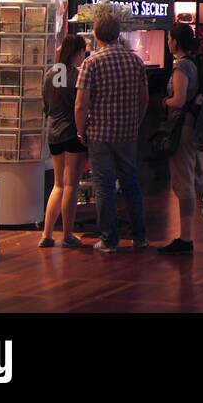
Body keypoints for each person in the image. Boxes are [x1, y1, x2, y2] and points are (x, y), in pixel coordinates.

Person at [75, 13, 149, 253]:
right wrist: (135, 121)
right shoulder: (135, 61)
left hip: (100, 132)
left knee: (104, 185)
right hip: (127, 132)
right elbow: (144, 98)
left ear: (96, 35)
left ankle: (109, 240)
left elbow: (80, 104)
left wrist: (81, 130)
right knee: (131, 183)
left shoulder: (91, 62)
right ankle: (140, 237)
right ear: (118, 33)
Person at [159, 25, 203, 254]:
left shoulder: (182, 66)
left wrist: (164, 102)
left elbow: (178, 100)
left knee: (183, 182)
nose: (168, 42)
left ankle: (185, 237)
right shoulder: (198, 63)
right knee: (202, 179)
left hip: (184, 129)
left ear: (176, 42)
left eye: (169, 38)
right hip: (200, 129)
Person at [40, 35, 88, 248]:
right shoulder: (77, 75)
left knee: (58, 184)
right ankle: (68, 233)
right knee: (71, 184)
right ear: (77, 52)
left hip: (53, 133)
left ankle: (47, 234)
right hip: (72, 133)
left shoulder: (50, 74)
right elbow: (80, 106)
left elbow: (45, 104)